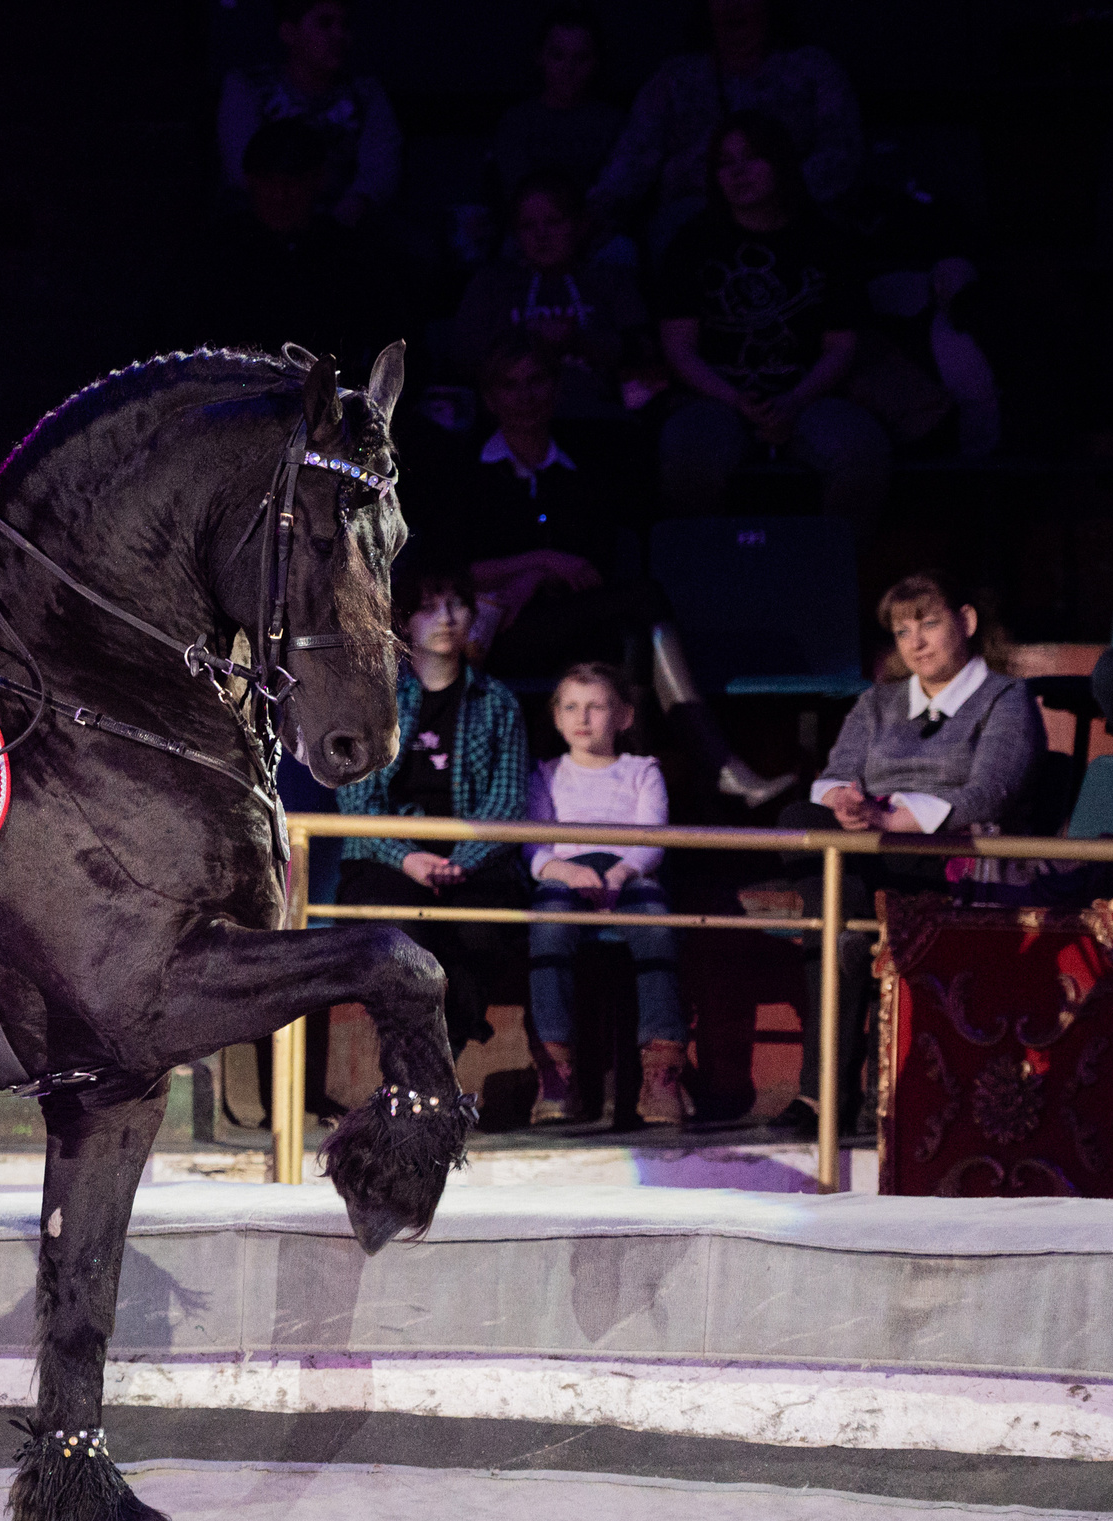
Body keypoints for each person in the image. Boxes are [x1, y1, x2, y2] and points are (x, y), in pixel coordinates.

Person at [433, 335, 793, 805]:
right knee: (640, 605)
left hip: (574, 621)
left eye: (536, 381)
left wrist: (535, 576)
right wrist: (540, 562)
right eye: (510, 385)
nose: (525, 396)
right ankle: (717, 767)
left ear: (556, 388)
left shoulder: (586, 463)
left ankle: (646, 787)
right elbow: (451, 569)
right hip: (498, 634)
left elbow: (592, 565)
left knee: (636, 619)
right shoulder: (464, 470)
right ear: (490, 398)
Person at [767, 572, 1045, 1133]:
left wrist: (893, 820)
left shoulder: (1005, 698)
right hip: (866, 848)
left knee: (836, 915)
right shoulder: (878, 701)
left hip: (944, 850)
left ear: (966, 622)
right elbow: (835, 776)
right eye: (901, 631)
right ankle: (851, 932)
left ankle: (823, 1096)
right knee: (802, 825)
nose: (915, 643)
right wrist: (846, 802)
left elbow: (990, 793)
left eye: (929, 624)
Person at [654, 112, 889, 534]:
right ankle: (708, 569)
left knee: (860, 450)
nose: (738, 172)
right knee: (686, 451)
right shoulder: (691, 243)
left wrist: (795, 400)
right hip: (714, 396)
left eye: (751, 158)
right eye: (725, 163)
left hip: (812, 394)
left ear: (780, 163)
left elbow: (841, 345)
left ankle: (830, 567)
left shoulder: (826, 241)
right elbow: (678, 348)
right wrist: (736, 399)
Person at [334, 565, 530, 1054]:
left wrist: (460, 862)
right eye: (428, 607)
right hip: (387, 858)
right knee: (404, 937)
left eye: (457, 604)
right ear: (405, 621)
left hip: (473, 860)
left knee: (481, 932)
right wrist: (408, 858)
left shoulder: (497, 702)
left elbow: (506, 803)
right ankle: (415, 1069)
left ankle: (434, 1070)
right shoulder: (374, 700)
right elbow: (357, 802)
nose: (445, 618)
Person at [526, 663, 691, 1126]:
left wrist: (621, 872)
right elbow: (533, 844)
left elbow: (653, 836)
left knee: (657, 931)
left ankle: (661, 1070)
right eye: (571, 707)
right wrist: (565, 871)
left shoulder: (642, 771)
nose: (583, 718)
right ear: (556, 718)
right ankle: (556, 1071)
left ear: (624, 717)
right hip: (565, 873)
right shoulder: (546, 773)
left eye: (596, 707)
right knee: (548, 930)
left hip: (629, 873)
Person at [588, 0, 863, 252]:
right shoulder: (675, 79)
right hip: (696, 215)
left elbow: (841, 152)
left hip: (793, 212)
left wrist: (771, 195)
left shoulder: (813, 70)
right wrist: (594, 214)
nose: (734, 6)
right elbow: (633, 157)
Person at [167, 120, 407, 375]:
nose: (280, 195)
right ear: (249, 180)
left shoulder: (350, 256)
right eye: (269, 181)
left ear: (318, 179)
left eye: (293, 182)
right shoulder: (213, 254)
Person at [452, 174, 651, 420]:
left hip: (596, 416)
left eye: (554, 222)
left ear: (580, 225)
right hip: (507, 420)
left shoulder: (609, 281)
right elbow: (463, 357)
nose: (541, 234)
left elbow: (642, 350)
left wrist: (578, 341)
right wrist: (524, 342)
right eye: (528, 226)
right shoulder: (491, 284)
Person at [217, 0, 400, 226]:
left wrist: (349, 210)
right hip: (260, 223)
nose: (339, 35)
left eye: (344, 25)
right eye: (325, 23)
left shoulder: (366, 94)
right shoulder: (249, 87)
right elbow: (241, 169)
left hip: (346, 226)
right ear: (289, 33)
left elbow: (381, 168)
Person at [493, 8, 625, 211]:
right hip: (534, 223)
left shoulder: (615, 124)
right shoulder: (517, 122)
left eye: (581, 58)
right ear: (539, 58)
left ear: (596, 62)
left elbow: (619, 194)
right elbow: (517, 195)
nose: (568, 68)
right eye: (558, 56)